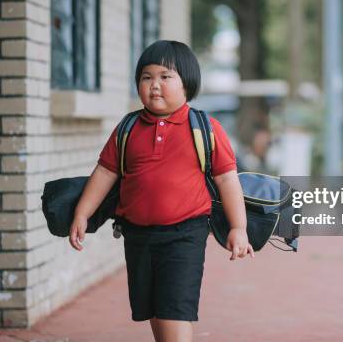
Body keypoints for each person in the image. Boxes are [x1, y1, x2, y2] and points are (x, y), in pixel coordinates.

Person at [68, 40, 254, 342]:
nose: (155, 85)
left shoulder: (205, 127)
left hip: (185, 235)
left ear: (187, 84)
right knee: (154, 309)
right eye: (146, 77)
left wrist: (239, 227)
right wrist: (82, 213)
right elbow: (104, 173)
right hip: (137, 235)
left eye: (165, 77)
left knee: (174, 310)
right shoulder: (128, 128)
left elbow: (227, 180)